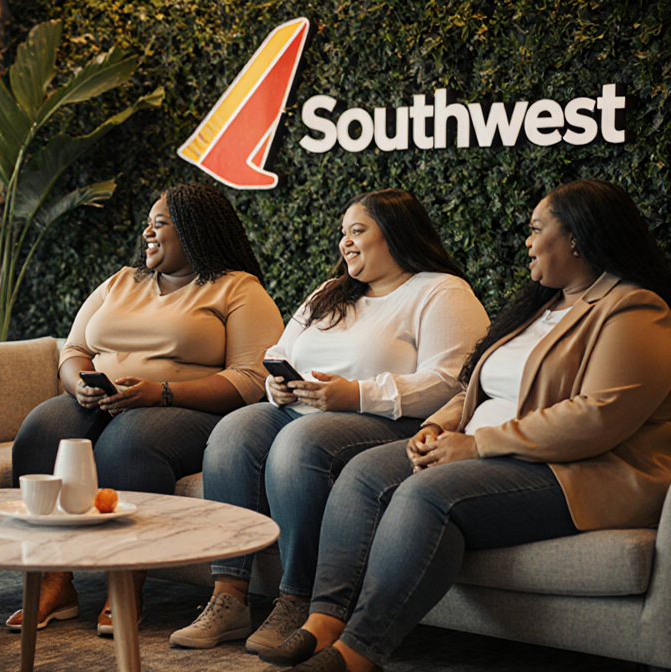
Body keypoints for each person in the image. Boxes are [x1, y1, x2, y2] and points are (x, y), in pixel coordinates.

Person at [257, 179, 671, 672]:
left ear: (577, 238)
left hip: (575, 471)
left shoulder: (635, 309)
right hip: (487, 448)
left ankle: (358, 653)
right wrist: (435, 426)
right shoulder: (540, 306)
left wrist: (477, 446)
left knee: (427, 495)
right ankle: (324, 622)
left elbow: (596, 418)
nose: (527, 242)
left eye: (537, 229)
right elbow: (477, 387)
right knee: (365, 473)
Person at [170, 188, 490, 652]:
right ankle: (229, 595)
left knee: (300, 442)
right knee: (232, 432)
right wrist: (276, 385)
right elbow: (280, 351)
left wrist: (355, 394)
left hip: (386, 421)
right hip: (299, 409)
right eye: (343, 233)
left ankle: (298, 599)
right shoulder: (330, 292)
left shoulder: (441, 291)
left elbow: (452, 382)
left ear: (396, 234)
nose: (346, 242)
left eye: (358, 231)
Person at [8, 182, 285, 635]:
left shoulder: (237, 289)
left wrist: (163, 392)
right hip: (101, 400)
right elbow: (74, 349)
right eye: (148, 224)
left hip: (187, 410)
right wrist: (80, 384)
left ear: (193, 231)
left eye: (159, 225)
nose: (147, 234)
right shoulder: (122, 281)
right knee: (43, 428)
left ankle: (126, 585)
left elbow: (250, 380)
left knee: (128, 443)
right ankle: (54, 581)